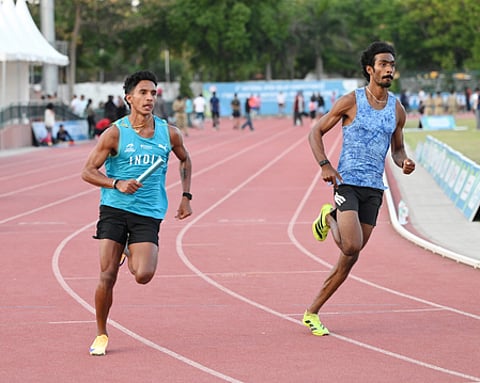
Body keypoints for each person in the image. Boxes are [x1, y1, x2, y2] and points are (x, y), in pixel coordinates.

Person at [303, 41, 415, 336]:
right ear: (370, 69)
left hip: (374, 189)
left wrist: (404, 163)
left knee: (350, 257)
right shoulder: (351, 101)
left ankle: (311, 312)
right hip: (348, 182)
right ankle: (329, 216)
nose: (389, 69)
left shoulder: (397, 109)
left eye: (391, 64)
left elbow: (398, 150)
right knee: (350, 245)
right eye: (383, 64)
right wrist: (325, 164)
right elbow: (315, 131)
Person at [81, 70, 193, 355]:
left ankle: (128, 250)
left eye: (153, 93)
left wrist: (186, 196)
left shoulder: (169, 133)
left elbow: (185, 159)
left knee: (143, 274)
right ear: (129, 98)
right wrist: (115, 182)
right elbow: (88, 171)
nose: (149, 98)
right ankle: (101, 333)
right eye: (143, 93)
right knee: (107, 276)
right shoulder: (115, 133)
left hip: (148, 212)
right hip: (114, 209)